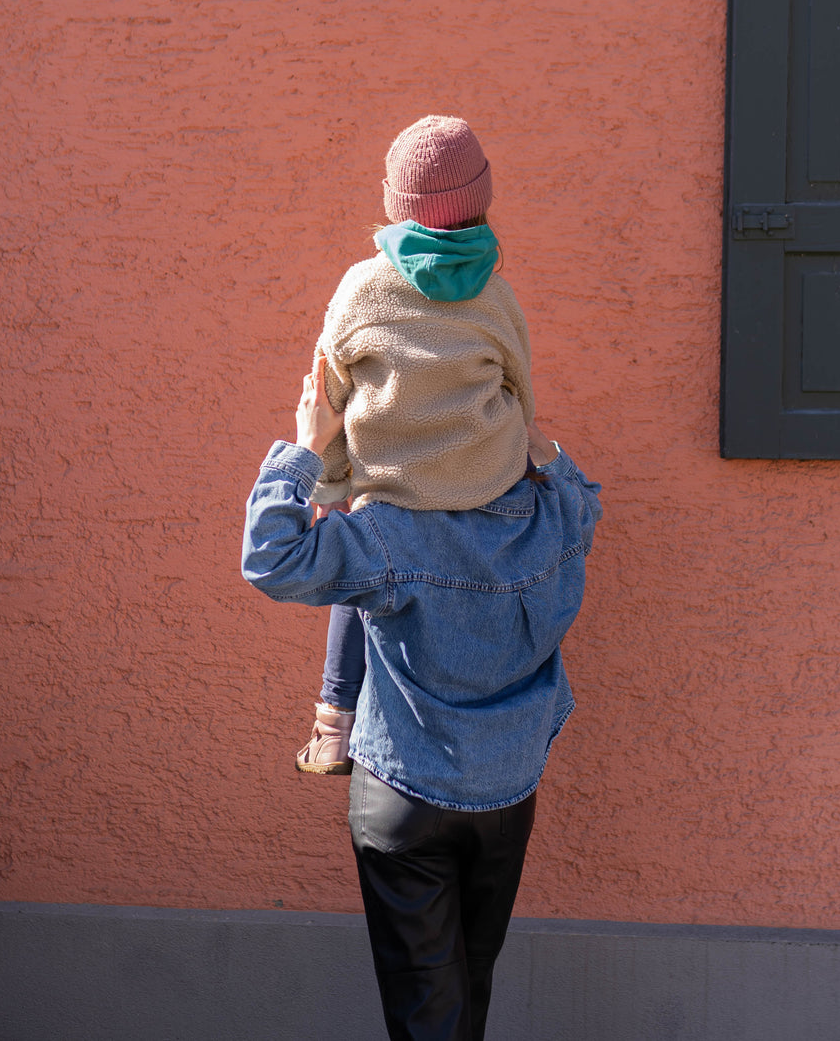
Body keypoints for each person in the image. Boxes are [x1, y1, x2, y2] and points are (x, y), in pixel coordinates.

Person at [242, 361, 601, 1041]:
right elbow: (581, 493)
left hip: (405, 792)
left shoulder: (388, 530)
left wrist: (307, 443)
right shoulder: (552, 513)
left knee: (429, 1012)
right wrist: (526, 427)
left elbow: (271, 556)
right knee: (469, 989)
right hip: (507, 789)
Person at [293, 114, 536, 775]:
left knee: (356, 575)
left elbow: (328, 395)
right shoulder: (495, 293)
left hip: (390, 499)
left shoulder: (362, 287)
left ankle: (332, 726)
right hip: (486, 488)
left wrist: (331, 489)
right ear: (479, 198)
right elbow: (522, 389)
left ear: (397, 203)